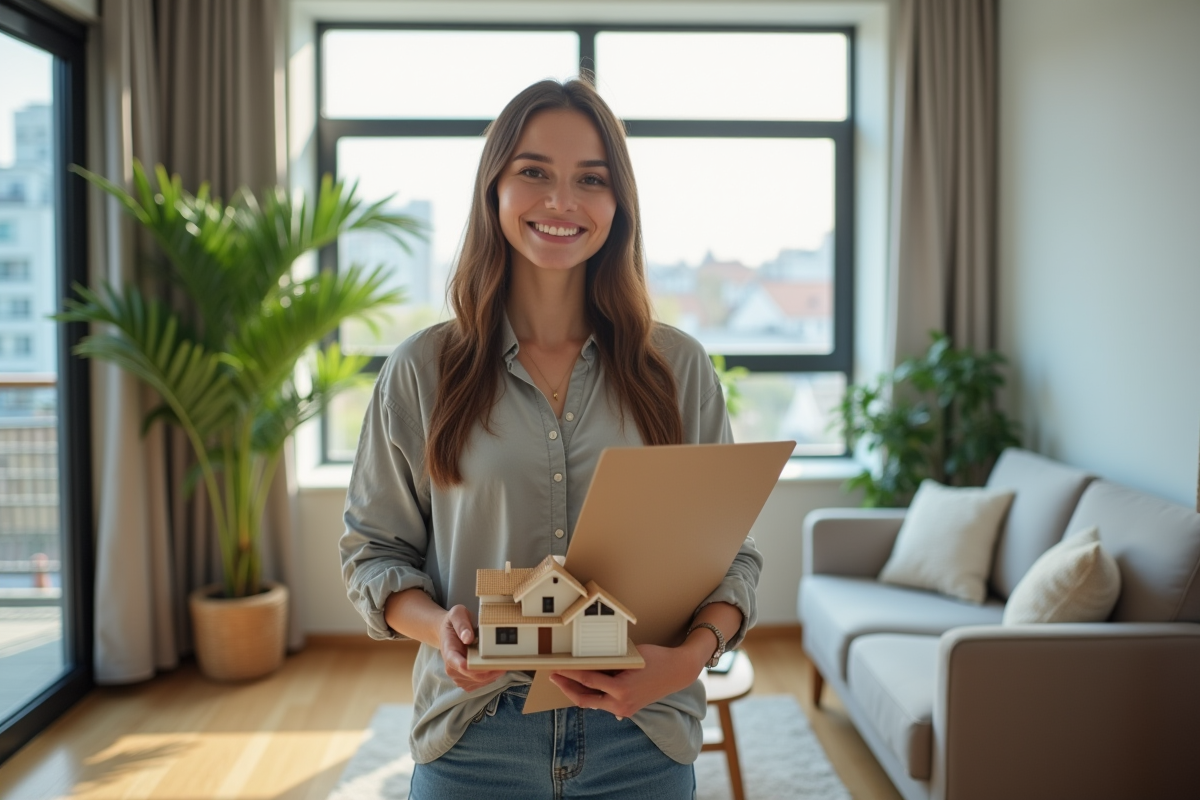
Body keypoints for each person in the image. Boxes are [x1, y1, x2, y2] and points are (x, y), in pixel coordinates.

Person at [340, 77, 762, 800]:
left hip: (642, 733)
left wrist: (688, 660)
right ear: (494, 188)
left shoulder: (679, 368)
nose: (561, 201)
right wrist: (441, 627)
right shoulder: (421, 369)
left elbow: (731, 560)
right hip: (475, 734)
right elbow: (373, 553)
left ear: (617, 205)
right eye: (534, 171)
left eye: (590, 180)